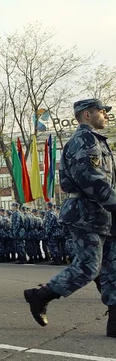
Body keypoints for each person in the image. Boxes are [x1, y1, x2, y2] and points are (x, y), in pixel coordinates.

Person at [23, 99, 116, 338]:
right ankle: (40, 296)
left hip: (104, 215)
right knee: (89, 267)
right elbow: (91, 179)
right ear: (87, 114)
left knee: (113, 269)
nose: (106, 115)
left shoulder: (97, 141)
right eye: (102, 111)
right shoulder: (83, 140)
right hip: (86, 213)